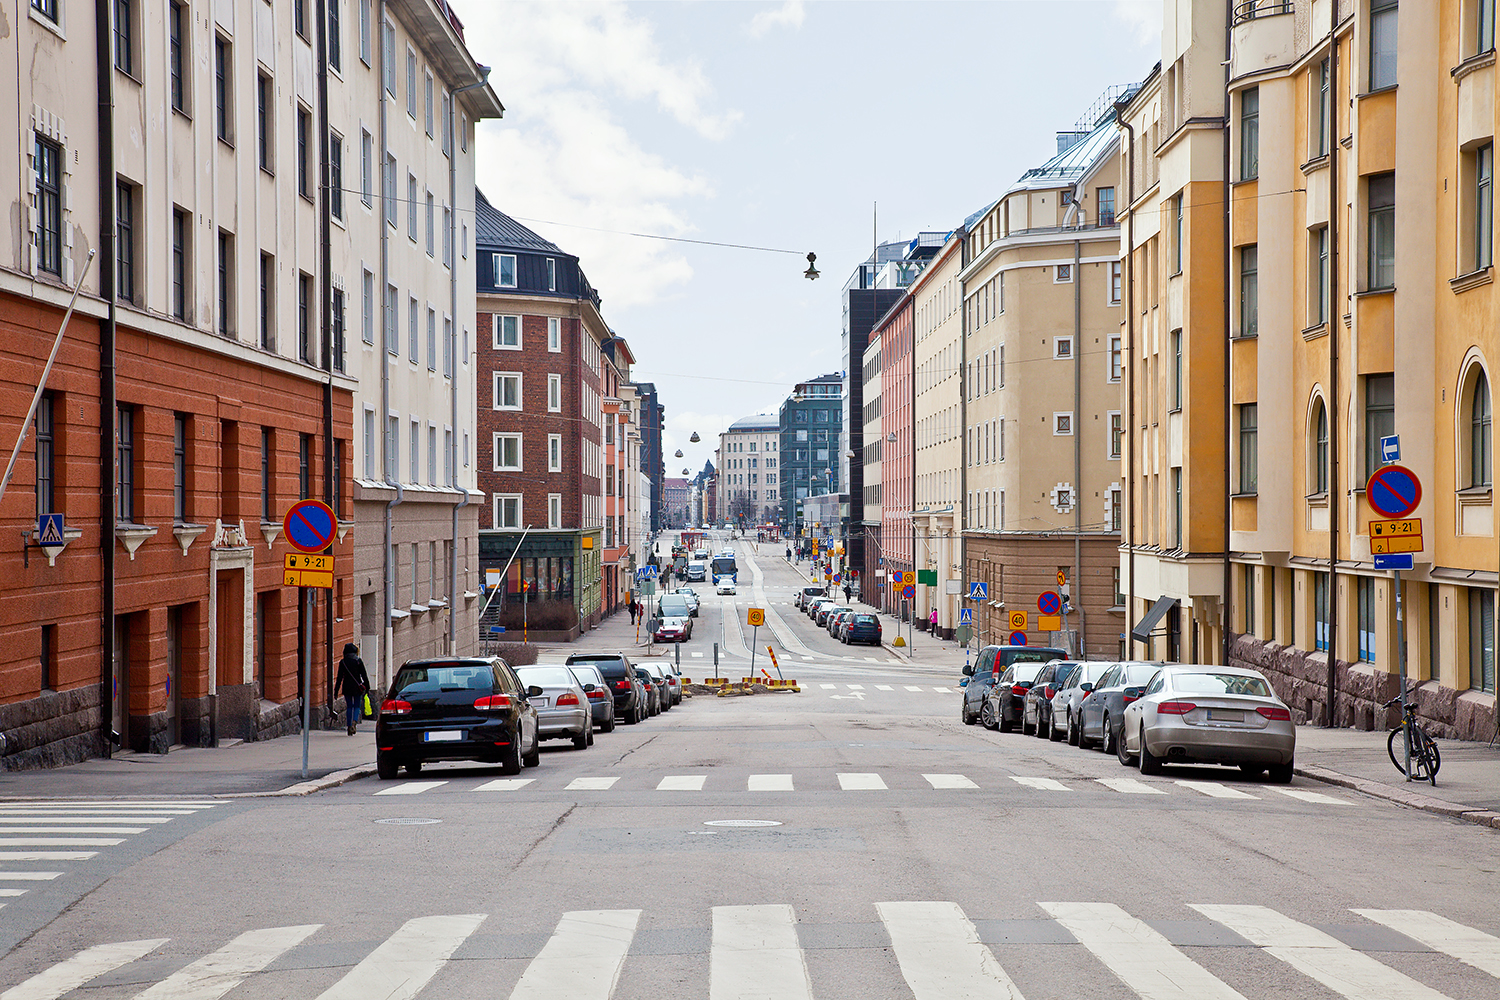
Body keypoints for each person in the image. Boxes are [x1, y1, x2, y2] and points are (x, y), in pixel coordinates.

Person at [333, 643, 370, 736]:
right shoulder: (358, 661)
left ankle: (349, 726)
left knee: (349, 706)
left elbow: (339, 678)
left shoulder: (343, 662)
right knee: (357, 706)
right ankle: (354, 722)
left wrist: (336, 691)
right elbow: (364, 675)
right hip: (357, 687)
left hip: (347, 687)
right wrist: (367, 687)